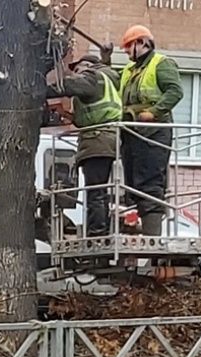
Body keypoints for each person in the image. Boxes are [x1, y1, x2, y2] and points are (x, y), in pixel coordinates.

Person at [46, 49, 121, 237]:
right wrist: (67, 115)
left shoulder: (92, 77)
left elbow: (68, 85)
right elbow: (88, 117)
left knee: (95, 190)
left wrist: (39, 91)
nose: (75, 73)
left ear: (88, 66)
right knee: (99, 189)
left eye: (77, 69)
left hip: (97, 139)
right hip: (106, 137)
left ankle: (97, 233)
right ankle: (99, 230)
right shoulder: (108, 80)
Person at [118, 25, 184, 236]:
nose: (127, 51)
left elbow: (175, 91)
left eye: (129, 46)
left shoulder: (161, 64)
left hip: (154, 132)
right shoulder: (130, 70)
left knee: (150, 181)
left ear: (143, 43)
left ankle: (152, 233)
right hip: (133, 132)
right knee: (133, 182)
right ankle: (140, 228)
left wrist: (154, 112)